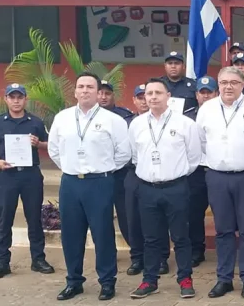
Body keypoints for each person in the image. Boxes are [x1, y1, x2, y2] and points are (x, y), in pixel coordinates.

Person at [47, 72, 131, 301]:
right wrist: (70, 166)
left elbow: (124, 152)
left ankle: (107, 281)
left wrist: (102, 169)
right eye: (81, 86)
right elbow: (54, 149)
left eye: (90, 87)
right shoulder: (62, 118)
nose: (85, 90)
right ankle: (74, 281)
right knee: (71, 235)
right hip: (71, 182)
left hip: (100, 182)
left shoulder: (113, 120)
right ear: (74, 91)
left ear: (98, 92)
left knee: (102, 234)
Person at [195, 67, 244, 299]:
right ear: (218, 84)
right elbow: (201, 141)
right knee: (223, 230)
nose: (228, 86)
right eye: (223, 82)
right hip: (217, 177)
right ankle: (224, 279)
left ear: (243, 83)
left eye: (233, 82)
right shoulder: (206, 109)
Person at [127, 78, 204, 299]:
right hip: (147, 189)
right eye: (148, 93)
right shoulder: (137, 124)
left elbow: (194, 157)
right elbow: (134, 155)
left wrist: (174, 174)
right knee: (151, 238)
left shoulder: (185, 124)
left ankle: (185, 279)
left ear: (168, 96)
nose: (152, 97)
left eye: (157, 93)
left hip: (176, 188)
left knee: (181, 237)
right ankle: (149, 280)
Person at [0, 84, 53, 279]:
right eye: (12, 97)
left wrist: (38, 143)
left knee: (34, 219)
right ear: (6, 99)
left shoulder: (35, 122)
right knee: (5, 220)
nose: (16, 100)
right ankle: (2, 262)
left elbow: (49, 144)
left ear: (25, 99)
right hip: (8, 176)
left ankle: (38, 259)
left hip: (31, 176)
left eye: (20, 97)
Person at [98, 79, 135, 271]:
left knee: (125, 215)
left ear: (113, 96)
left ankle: (135, 254)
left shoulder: (125, 117)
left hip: (119, 174)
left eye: (107, 93)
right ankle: (107, 254)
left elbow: (127, 147)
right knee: (102, 217)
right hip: (97, 176)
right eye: (101, 93)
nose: (103, 97)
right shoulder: (89, 117)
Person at [183, 76, 218, 267]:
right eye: (202, 93)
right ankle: (197, 250)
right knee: (194, 213)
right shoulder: (187, 116)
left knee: (222, 213)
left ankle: (225, 250)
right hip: (196, 171)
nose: (205, 96)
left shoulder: (223, 114)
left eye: (209, 93)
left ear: (216, 94)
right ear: (196, 95)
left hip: (217, 168)